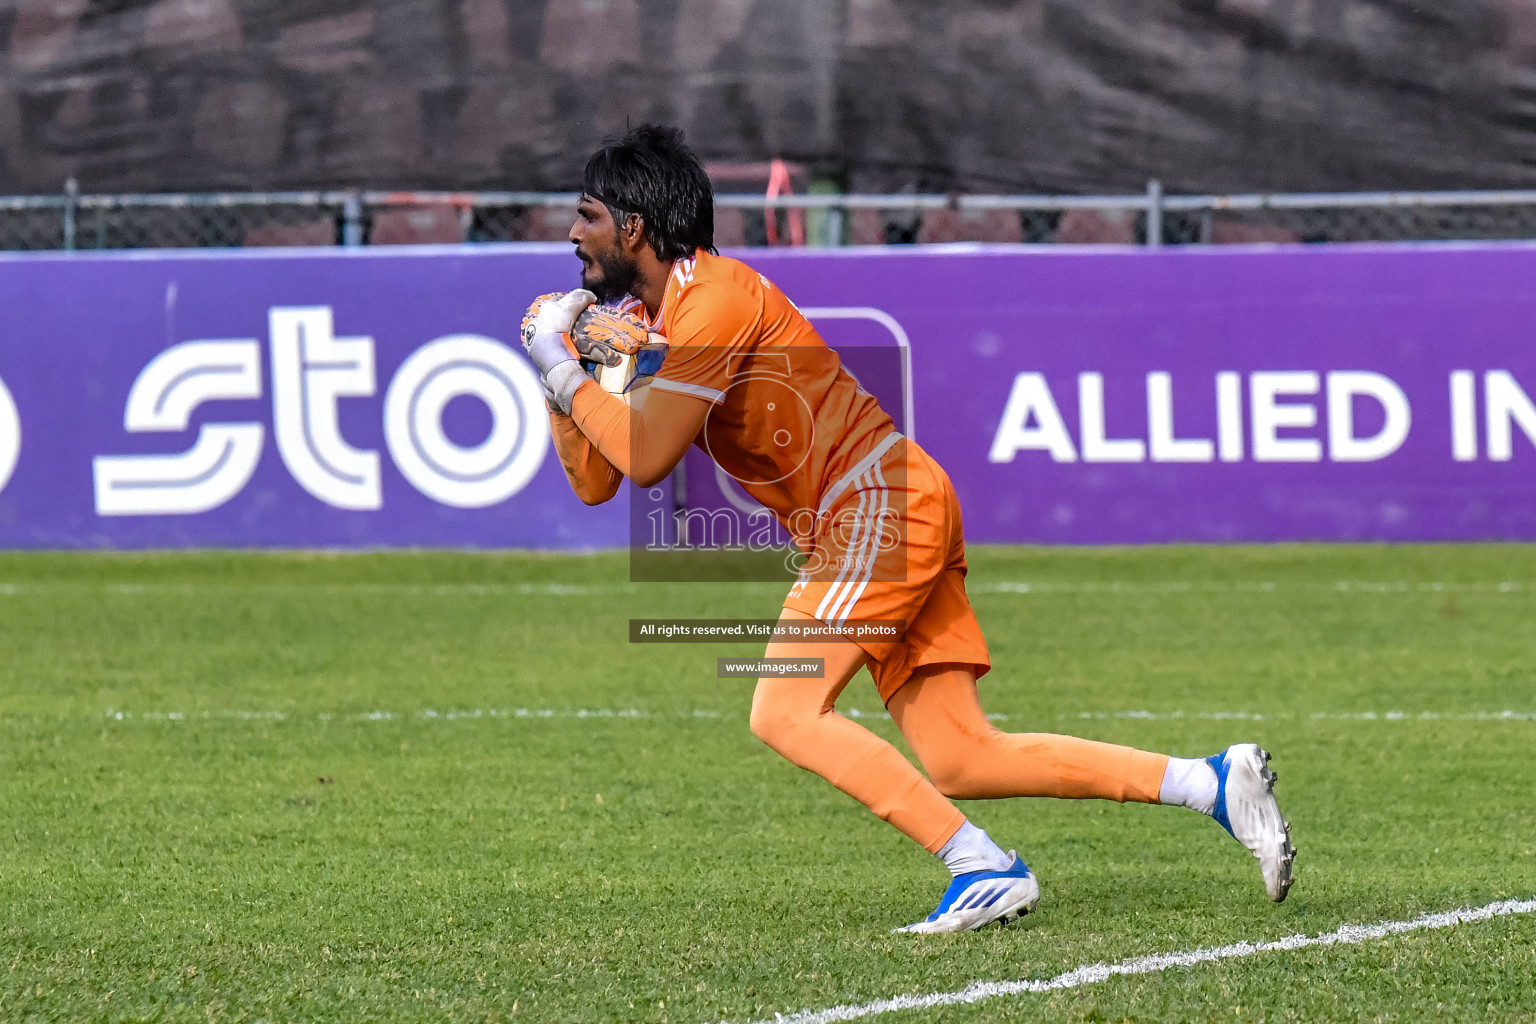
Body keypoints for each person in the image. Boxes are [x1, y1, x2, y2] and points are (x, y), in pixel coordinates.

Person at [521, 124, 1295, 933]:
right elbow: (596, 481)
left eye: (587, 214)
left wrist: (565, 367)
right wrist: (557, 382)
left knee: (782, 711)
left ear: (635, 225)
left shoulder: (711, 299)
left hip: (878, 505)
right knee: (963, 755)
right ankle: (1212, 783)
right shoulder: (655, 317)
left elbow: (644, 457)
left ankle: (983, 866)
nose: (574, 234)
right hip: (882, 507)